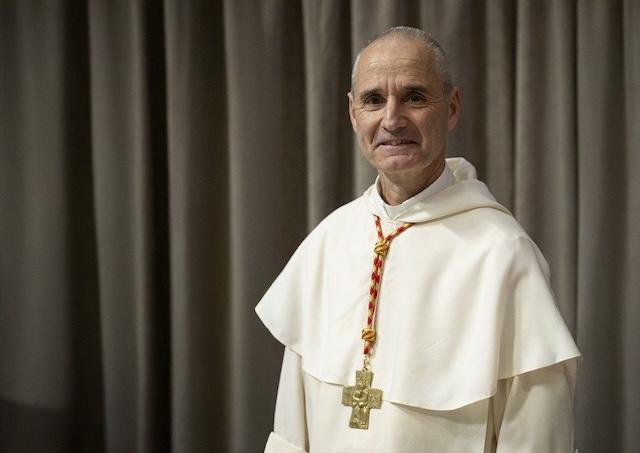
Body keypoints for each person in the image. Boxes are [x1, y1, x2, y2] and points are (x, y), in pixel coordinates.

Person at [256, 26, 581, 453]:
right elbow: (290, 436)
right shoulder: (327, 243)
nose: (392, 120)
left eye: (413, 97)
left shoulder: (503, 254)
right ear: (353, 114)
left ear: (452, 107)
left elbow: (537, 442)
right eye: (374, 100)